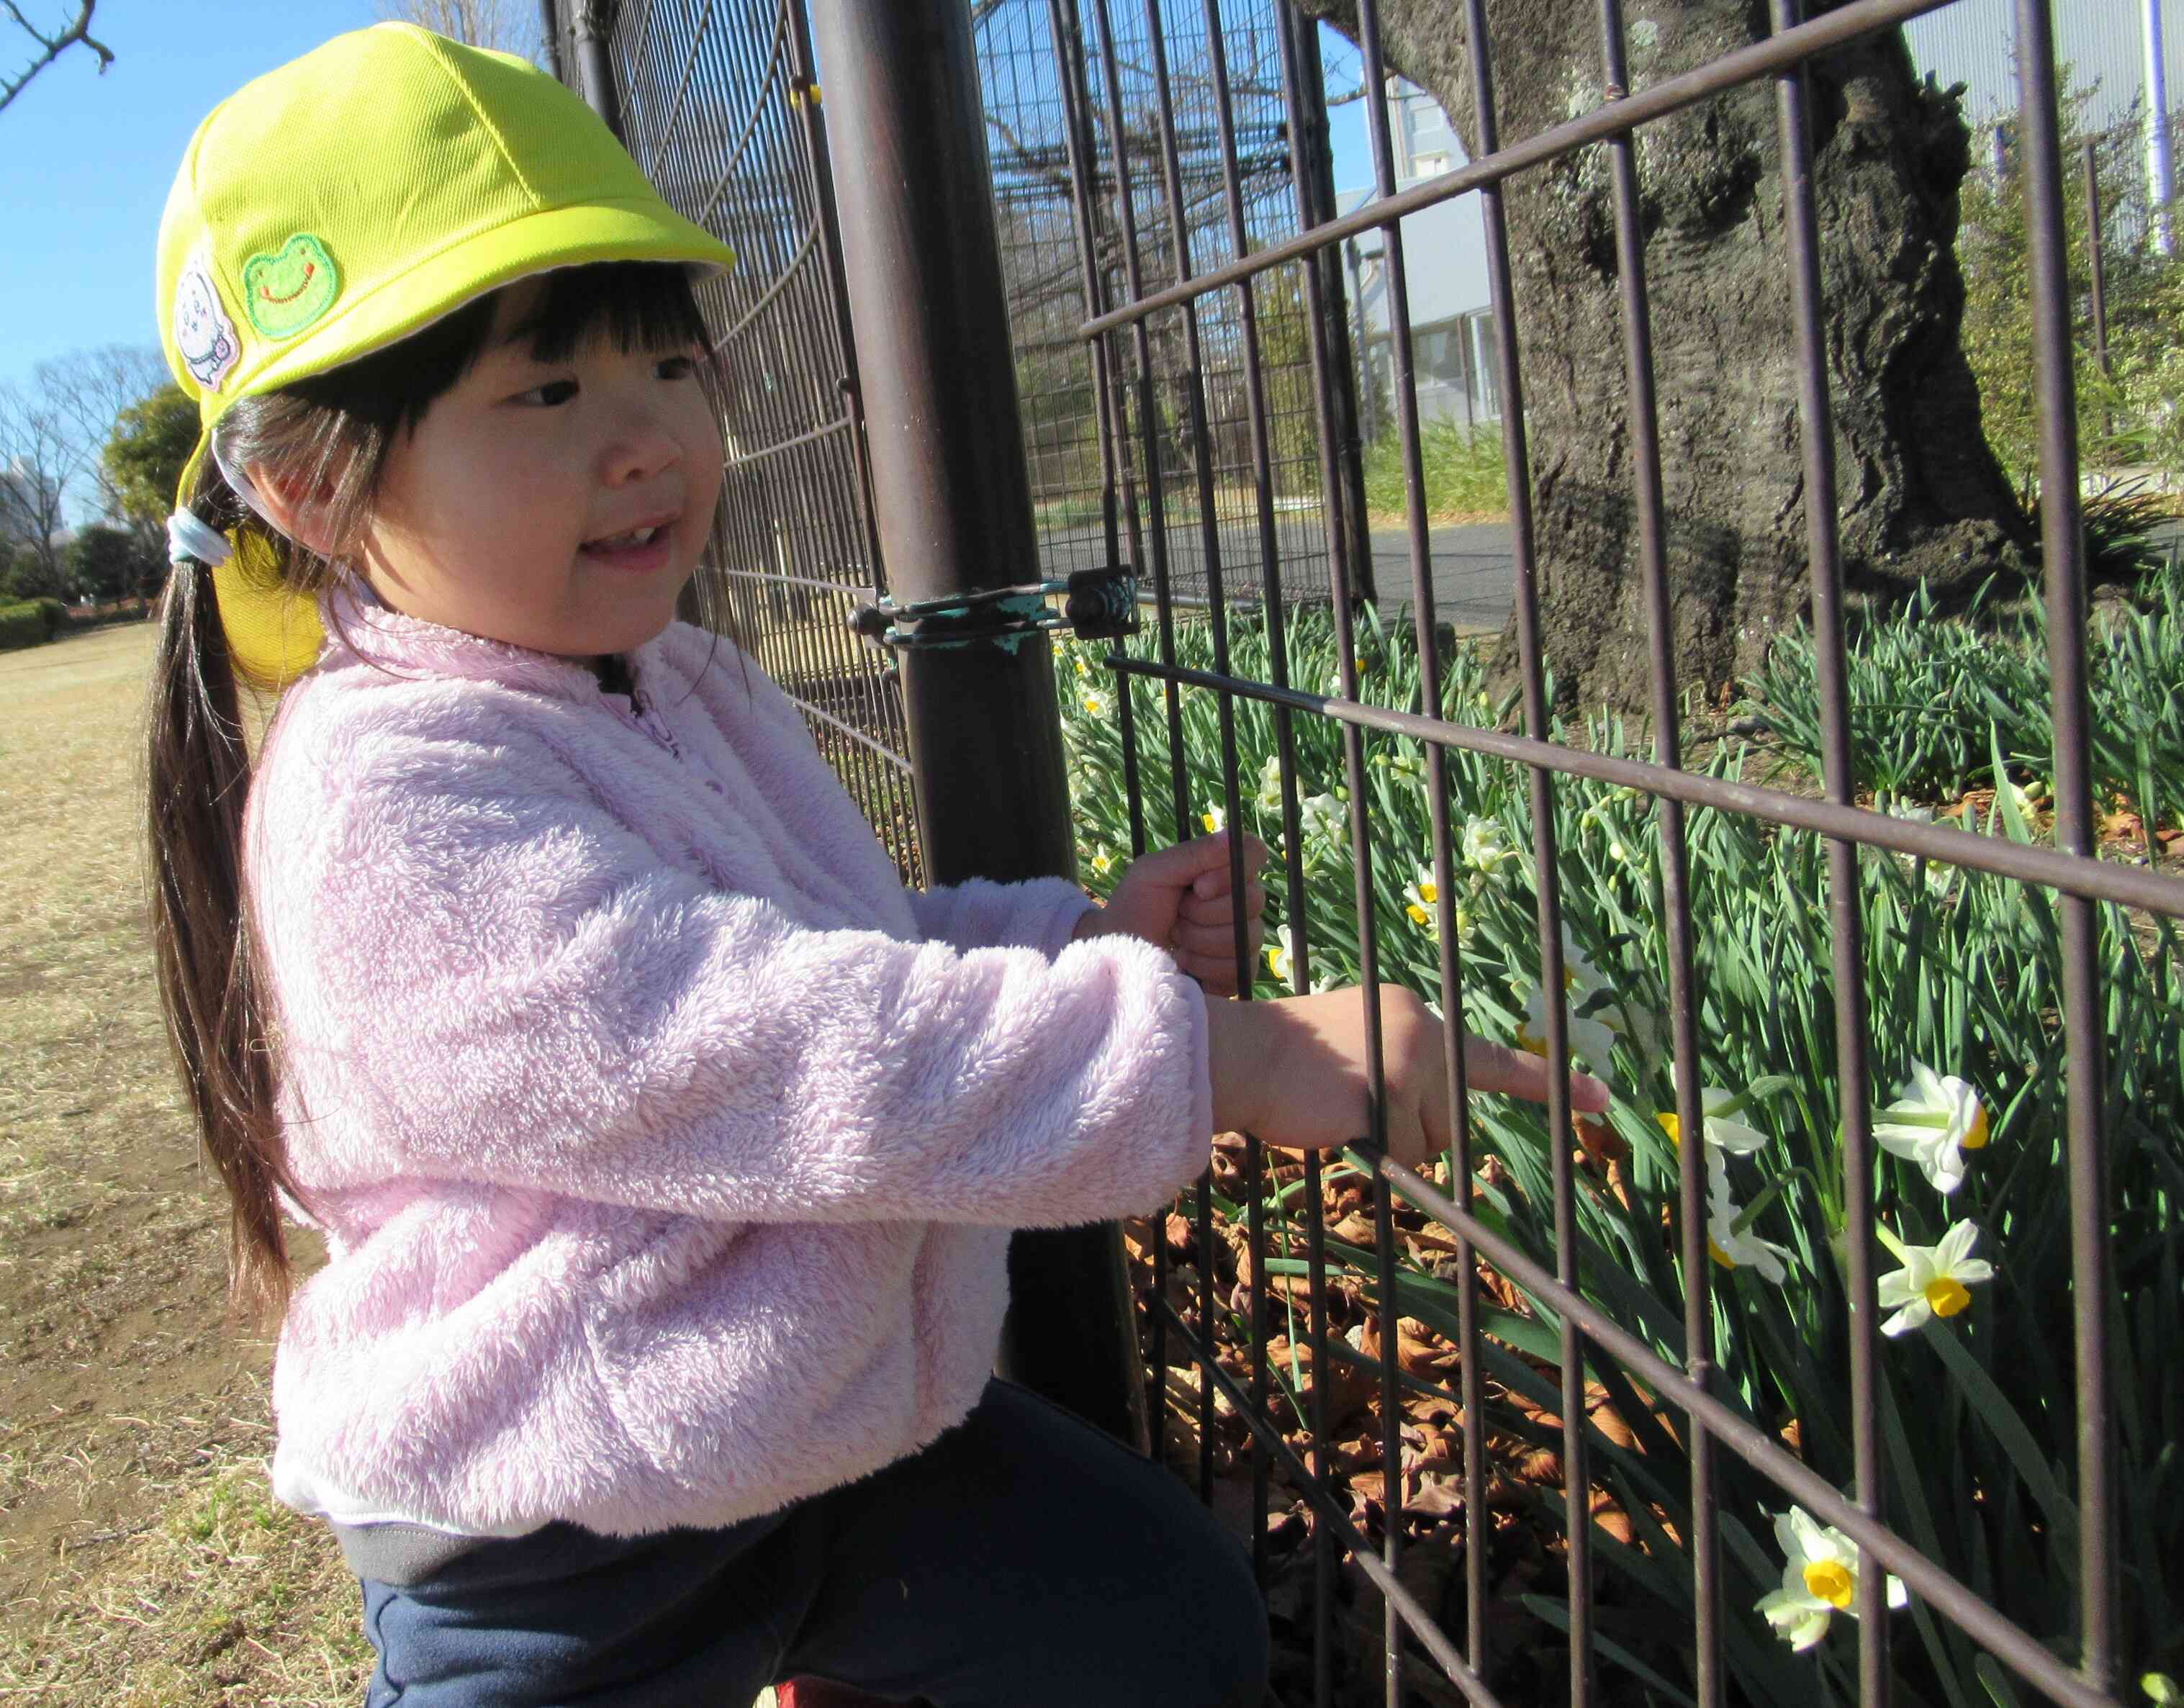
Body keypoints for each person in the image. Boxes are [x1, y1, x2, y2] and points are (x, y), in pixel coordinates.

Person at [143, 26, 1608, 1708]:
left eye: (666, 366)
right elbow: (748, 1036)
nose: (646, 440)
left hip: (814, 1429)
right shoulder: (386, 795)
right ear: (309, 485)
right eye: (546, 391)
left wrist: (1077, 938)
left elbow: (833, 940)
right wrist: (1221, 1054)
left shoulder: (665, 679)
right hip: (558, 1526)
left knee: (1159, 1623)